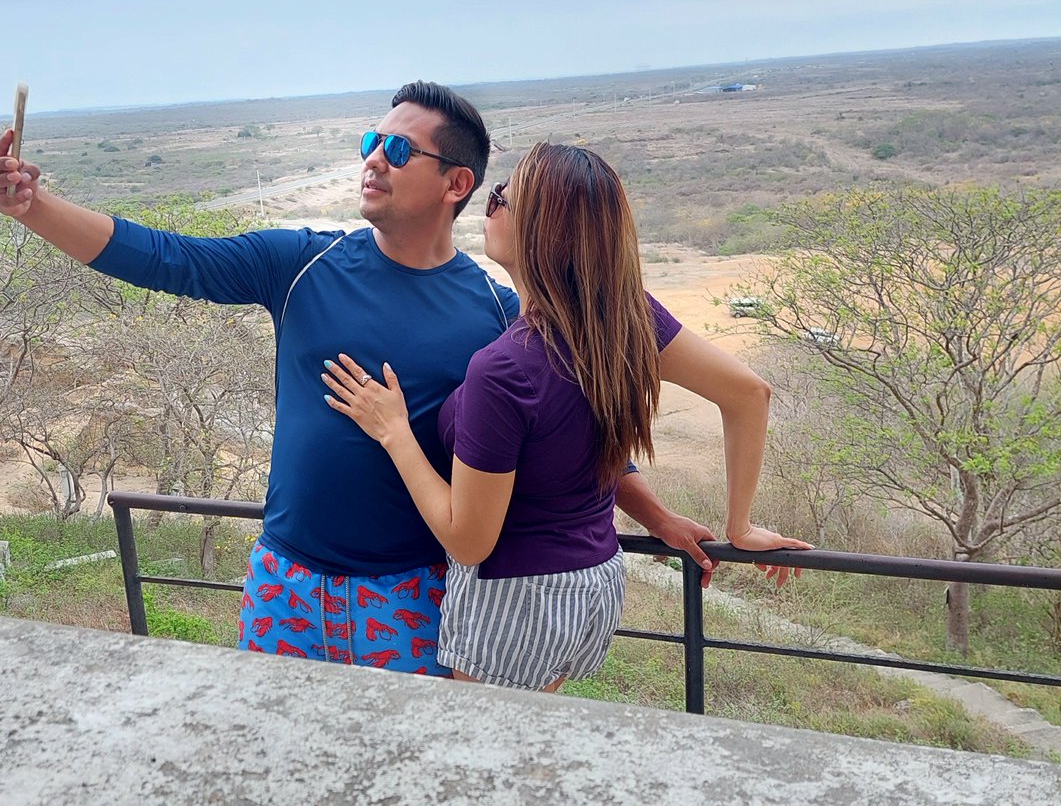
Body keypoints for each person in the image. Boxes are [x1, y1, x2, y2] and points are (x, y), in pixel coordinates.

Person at [0, 80, 720, 675]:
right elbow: (165, 257)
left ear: (456, 182)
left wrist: (655, 517)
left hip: (417, 592)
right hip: (286, 580)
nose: (373, 159)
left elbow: (568, 434)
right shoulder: (300, 264)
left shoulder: (497, 313)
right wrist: (32, 205)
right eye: (371, 141)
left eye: (398, 149)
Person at [323, 142, 811, 691]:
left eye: (504, 198)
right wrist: (732, 526)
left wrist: (394, 432)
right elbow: (747, 394)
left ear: (545, 231)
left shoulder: (503, 369)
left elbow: (468, 541)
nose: (490, 204)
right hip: (593, 586)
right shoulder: (627, 318)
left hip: (514, 600)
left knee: (489, 763)